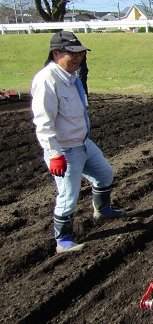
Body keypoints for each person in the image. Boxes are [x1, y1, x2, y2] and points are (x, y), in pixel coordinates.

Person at [31, 31, 127, 254]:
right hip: (64, 148)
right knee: (68, 195)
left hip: (83, 143)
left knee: (105, 174)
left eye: (81, 53)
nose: (78, 57)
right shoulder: (47, 80)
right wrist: (54, 153)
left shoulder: (72, 77)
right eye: (72, 53)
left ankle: (102, 209)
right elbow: (43, 121)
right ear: (56, 53)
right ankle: (63, 240)